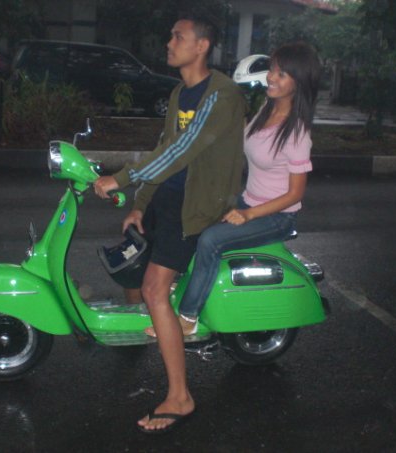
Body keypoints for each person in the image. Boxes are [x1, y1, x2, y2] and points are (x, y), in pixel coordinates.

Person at [93, 13, 246, 433]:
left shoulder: (223, 95)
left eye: (178, 37)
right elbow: (164, 146)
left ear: (202, 46)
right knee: (131, 254)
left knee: (154, 289)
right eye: (171, 36)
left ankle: (180, 396)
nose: (169, 42)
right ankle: (139, 332)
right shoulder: (180, 91)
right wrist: (140, 203)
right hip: (168, 197)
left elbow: (184, 148)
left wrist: (122, 178)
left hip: (196, 205)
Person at [162, 42, 322, 336]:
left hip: (277, 216)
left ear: (298, 83)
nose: (271, 77)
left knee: (211, 240)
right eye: (272, 70)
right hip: (248, 200)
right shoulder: (266, 110)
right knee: (194, 211)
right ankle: (185, 278)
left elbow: (295, 195)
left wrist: (248, 215)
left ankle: (188, 317)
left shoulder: (297, 132)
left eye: (282, 74)